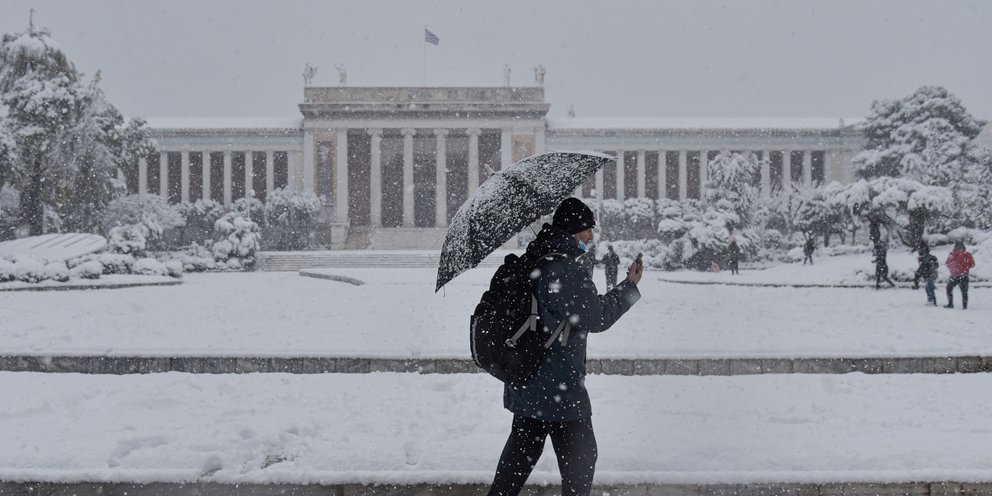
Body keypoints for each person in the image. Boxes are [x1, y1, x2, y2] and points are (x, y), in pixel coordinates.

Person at [488, 197, 642, 496]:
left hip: (528, 377)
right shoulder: (563, 269)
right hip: (558, 384)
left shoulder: (535, 257)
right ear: (574, 230)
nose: (591, 236)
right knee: (581, 461)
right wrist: (629, 287)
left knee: (516, 463)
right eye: (588, 229)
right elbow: (596, 317)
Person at [944, 241, 975, 309]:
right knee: (964, 292)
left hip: (954, 275)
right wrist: (965, 267)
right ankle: (964, 306)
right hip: (964, 275)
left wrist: (953, 268)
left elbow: (947, 263)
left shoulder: (952, 254)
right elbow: (972, 264)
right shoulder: (967, 255)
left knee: (949, 289)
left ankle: (950, 303)